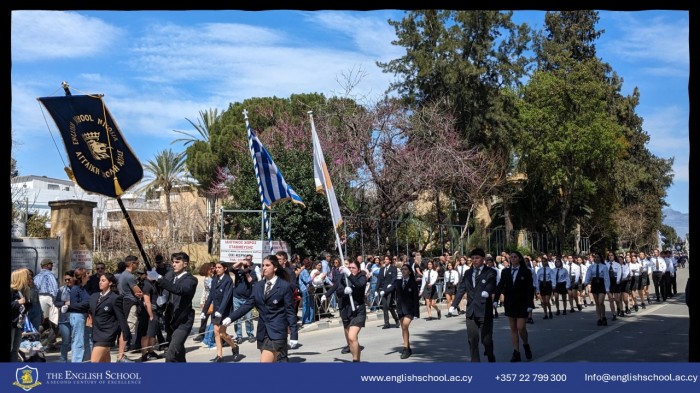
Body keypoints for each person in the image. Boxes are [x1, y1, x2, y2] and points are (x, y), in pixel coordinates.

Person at [223, 255, 299, 363]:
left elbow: (290, 312)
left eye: (268, 265)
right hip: (262, 332)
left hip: (276, 332)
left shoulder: (284, 286)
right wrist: (230, 318)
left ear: (275, 268)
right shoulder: (258, 286)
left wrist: (294, 334)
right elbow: (248, 304)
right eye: (263, 265)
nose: (264, 268)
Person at [146, 252, 198, 362]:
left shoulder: (191, 279)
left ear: (185, 264)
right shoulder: (171, 276)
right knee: (179, 353)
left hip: (183, 321)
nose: (174, 264)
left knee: (170, 355)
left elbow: (179, 289)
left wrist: (159, 278)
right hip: (170, 320)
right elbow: (164, 288)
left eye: (177, 262)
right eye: (173, 262)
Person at [449, 248, 497, 362]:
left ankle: (490, 354)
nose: (475, 260)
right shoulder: (468, 273)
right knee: (472, 339)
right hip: (471, 311)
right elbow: (461, 289)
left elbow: (491, 283)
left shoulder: (490, 271)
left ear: (483, 259)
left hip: (484, 310)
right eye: (473, 258)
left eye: (477, 258)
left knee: (486, 340)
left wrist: (487, 291)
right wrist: (454, 305)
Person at [322, 259, 367, 362]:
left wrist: (349, 274)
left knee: (352, 336)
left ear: (359, 269)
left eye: (353, 268)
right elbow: (336, 286)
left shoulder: (362, 277)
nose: (350, 270)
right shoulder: (344, 277)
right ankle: (356, 356)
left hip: (358, 310)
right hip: (346, 309)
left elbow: (359, 285)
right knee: (351, 339)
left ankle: (356, 361)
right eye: (349, 268)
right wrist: (326, 295)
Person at [494, 251, 534, 362]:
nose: (513, 259)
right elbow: (500, 285)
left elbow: (529, 289)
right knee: (513, 329)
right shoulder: (505, 271)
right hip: (510, 303)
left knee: (521, 327)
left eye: (515, 257)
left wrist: (530, 304)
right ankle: (516, 352)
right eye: (511, 257)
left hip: (522, 303)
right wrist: (495, 299)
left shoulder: (526, 272)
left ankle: (525, 344)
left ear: (519, 259)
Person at [202, 262, 240, 362]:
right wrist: (204, 311)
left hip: (225, 310)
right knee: (216, 332)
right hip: (216, 310)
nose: (217, 269)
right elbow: (211, 296)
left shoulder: (228, 280)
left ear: (225, 269)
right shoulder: (214, 279)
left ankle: (234, 347)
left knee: (222, 333)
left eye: (219, 267)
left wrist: (221, 311)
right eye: (216, 267)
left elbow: (227, 298)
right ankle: (219, 355)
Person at [85, 273, 123, 362]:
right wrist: (67, 306)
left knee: (93, 362)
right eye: (99, 281)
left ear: (110, 283)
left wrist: (121, 351)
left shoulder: (115, 298)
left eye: (103, 281)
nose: (100, 283)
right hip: (96, 333)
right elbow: (85, 306)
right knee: (104, 362)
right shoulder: (95, 296)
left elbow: (122, 322)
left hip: (107, 335)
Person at [116, 255, 144, 362]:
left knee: (125, 328)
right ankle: (121, 356)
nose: (137, 265)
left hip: (124, 302)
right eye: (137, 263)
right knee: (128, 329)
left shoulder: (122, 275)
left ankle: (121, 354)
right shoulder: (129, 276)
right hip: (131, 302)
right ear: (132, 264)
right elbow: (138, 292)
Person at [394, 264, 420, 359]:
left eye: (405, 269)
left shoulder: (413, 283)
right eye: (402, 269)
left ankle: (405, 349)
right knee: (404, 328)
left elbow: (415, 299)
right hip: (400, 308)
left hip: (410, 309)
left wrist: (416, 313)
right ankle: (408, 347)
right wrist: (384, 290)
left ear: (409, 271)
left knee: (405, 326)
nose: (403, 271)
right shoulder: (398, 282)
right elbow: (392, 290)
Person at [135, 269, 161, 361]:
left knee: (152, 333)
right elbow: (147, 301)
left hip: (154, 311)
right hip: (148, 312)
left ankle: (150, 351)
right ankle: (144, 354)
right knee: (146, 334)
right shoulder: (146, 285)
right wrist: (150, 315)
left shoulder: (151, 284)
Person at [230, 256, 257, 344]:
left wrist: (246, 272)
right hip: (236, 297)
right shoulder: (238, 271)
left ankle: (250, 334)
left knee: (248, 318)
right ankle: (239, 336)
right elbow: (231, 268)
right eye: (245, 260)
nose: (246, 262)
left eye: (248, 260)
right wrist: (240, 262)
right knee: (237, 319)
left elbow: (250, 281)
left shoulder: (252, 272)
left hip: (247, 299)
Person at [33, 258, 59, 349]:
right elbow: (54, 290)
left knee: (44, 322)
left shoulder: (36, 276)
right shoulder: (50, 275)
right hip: (49, 298)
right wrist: (56, 301)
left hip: (39, 299)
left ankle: (33, 338)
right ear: (47, 265)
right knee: (55, 322)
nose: (52, 266)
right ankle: (51, 344)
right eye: (51, 264)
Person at [11, 268, 33, 362]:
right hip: (12, 322)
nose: (30, 278)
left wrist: (28, 302)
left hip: (18, 323)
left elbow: (25, 308)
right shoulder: (12, 290)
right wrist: (18, 302)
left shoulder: (22, 291)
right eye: (28, 276)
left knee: (15, 349)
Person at [583, 252, 611, 326]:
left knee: (601, 301)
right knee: (597, 303)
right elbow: (588, 275)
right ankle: (599, 318)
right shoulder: (591, 267)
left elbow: (606, 278)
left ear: (600, 258)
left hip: (602, 284)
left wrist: (607, 288)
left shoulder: (604, 267)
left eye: (598, 257)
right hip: (594, 283)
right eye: (595, 257)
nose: (596, 258)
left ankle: (604, 316)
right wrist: (586, 282)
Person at [54, 270, 74, 362]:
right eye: (65, 280)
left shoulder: (79, 289)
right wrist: (64, 303)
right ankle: (63, 360)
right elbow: (56, 302)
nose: (67, 281)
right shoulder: (61, 289)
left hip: (75, 318)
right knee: (65, 341)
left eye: (69, 279)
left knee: (75, 341)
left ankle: (76, 360)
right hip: (64, 319)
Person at [376, 255, 399, 329]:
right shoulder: (382, 269)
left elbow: (394, 278)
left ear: (390, 261)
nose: (385, 260)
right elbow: (379, 280)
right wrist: (376, 290)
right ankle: (386, 323)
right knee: (385, 307)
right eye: (384, 259)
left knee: (389, 306)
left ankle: (396, 319)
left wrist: (391, 285)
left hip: (390, 290)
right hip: (383, 290)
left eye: (386, 259)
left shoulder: (393, 269)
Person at [193, 262, 214, 342]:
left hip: (211, 301)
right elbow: (206, 291)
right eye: (211, 268)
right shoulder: (208, 279)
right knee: (204, 318)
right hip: (209, 301)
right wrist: (202, 301)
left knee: (210, 318)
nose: (213, 269)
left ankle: (209, 335)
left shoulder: (211, 278)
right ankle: (202, 334)